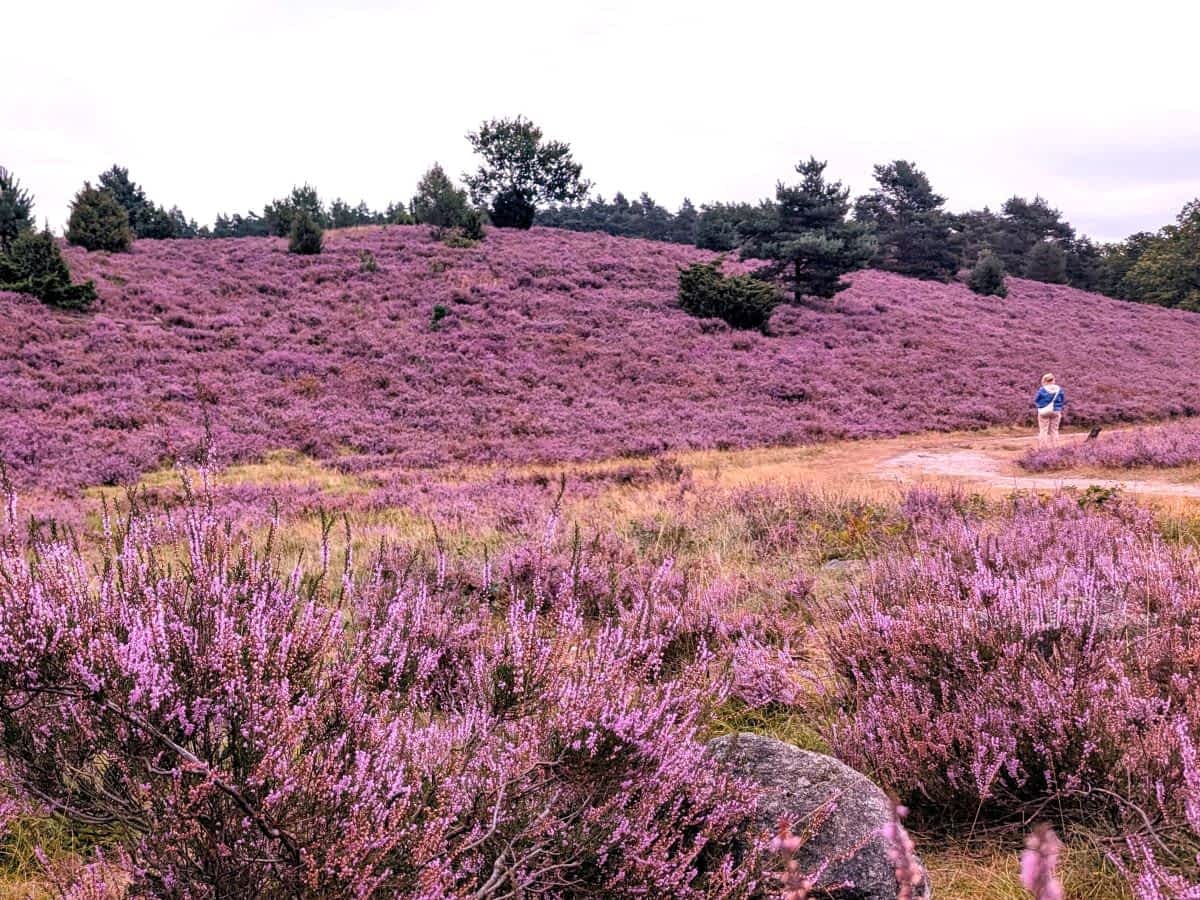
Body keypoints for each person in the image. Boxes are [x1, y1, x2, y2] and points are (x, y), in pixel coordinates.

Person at [1034, 373, 1065, 446]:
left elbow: (1036, 399)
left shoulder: (1042, 389)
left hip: (1043, 411)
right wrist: (1058, 406)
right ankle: (1055, 447)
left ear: (1044, 381)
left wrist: (1040, 406)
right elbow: (1063, 399)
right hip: (1056, 410)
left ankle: (1043, 448)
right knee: (1054, 430)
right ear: (1053, 380)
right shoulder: (1059, 389)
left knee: (1043, 430)